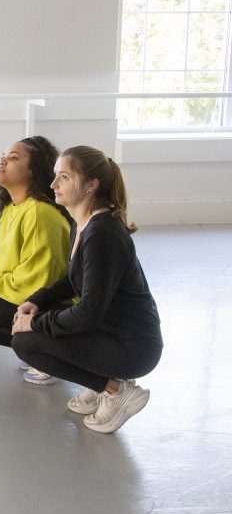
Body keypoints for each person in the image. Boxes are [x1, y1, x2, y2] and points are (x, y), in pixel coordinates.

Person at [11, 146, 163, 433]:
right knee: (31, 327)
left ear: (92, 185)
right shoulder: (83, 223)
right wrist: (36, 301)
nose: (54, 184)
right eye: (56, 176)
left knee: (26, 342)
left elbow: (89, 312)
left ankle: (116, 391)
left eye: (64, 177)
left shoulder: (102, 234)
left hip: (134, 347)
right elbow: (73, 278)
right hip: (111, 331)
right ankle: (102, 382)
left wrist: (36, 323)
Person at [0, 136, 71, 384]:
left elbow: (39, 276)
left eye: (13, 158)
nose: (2, 161)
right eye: (3, 156)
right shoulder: (12, 209)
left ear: (33, 171)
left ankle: (48, 354)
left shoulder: (38, 211)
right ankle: (35, 348)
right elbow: (2, 261)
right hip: (26, 292)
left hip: (54, 300)